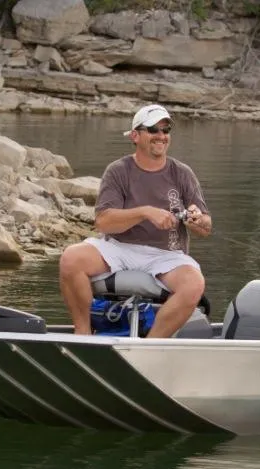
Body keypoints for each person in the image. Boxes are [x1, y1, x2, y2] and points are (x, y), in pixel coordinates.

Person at [59, 104, 212, 337]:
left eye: (166, 130)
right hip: (119, 248)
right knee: (71, 258)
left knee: (194, 283)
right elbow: (103, 222)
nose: (161, 136)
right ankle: (83, 334)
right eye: (153, 130)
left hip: (167, 254)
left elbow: (206, 226)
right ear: (135, 136)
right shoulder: (118, 170)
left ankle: (151, 346)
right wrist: (145, 212)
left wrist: (197, 219)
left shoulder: (182, 173)